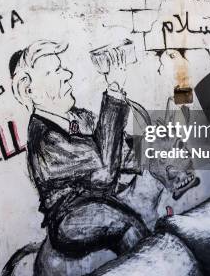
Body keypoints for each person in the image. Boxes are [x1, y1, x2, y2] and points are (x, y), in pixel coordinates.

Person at [9, 40, 149, 257]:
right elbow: (104, 170)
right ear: (29, 89)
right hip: (70, 214)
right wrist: (113, 93)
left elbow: (118, 149)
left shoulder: (80, 117)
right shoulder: (44, 137)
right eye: (55, 70)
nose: (67, 74)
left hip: (101, 200)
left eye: (62, 67)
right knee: (124, 224)